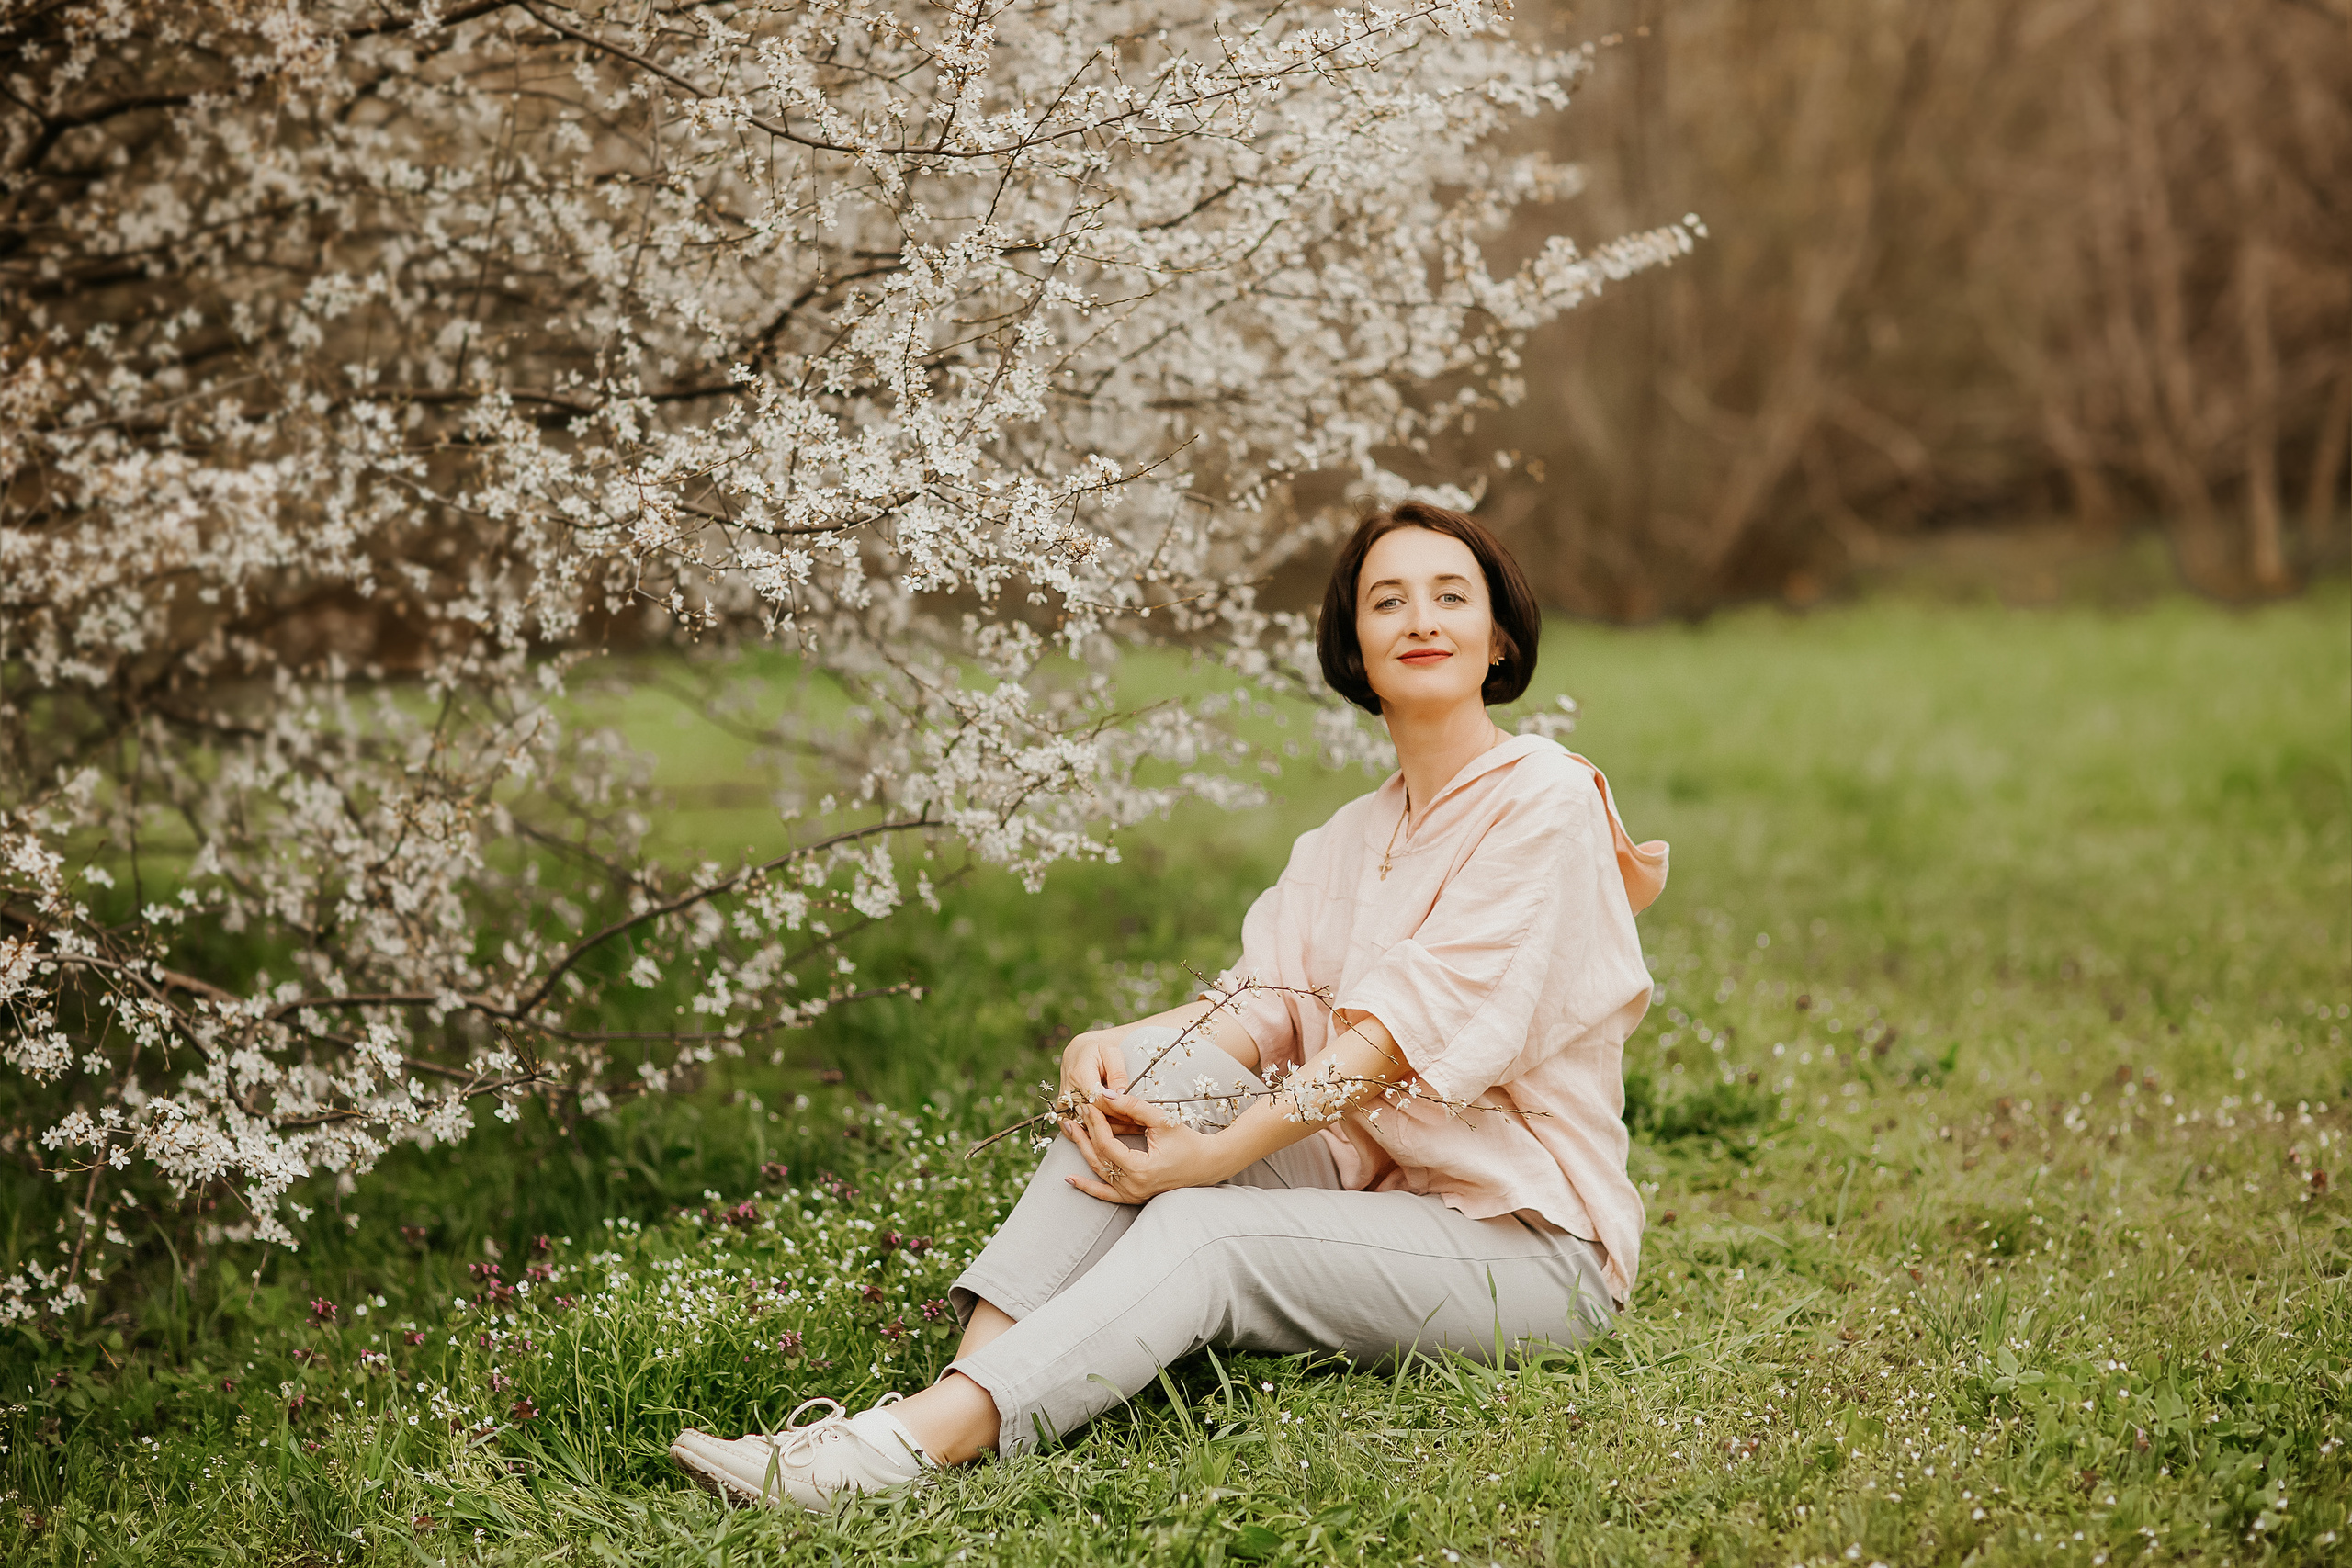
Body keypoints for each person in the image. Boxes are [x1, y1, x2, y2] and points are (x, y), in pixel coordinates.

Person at [670, 501, 1669, 1510]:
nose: (1420, 620)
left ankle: (905, 1448)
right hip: (1381, 1193)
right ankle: (945, 1400)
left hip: (1530, 1248)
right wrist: (1113, 1043)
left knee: (1207, 1229)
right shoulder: (1342, 840)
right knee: (1147, 1083)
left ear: (1497, 639)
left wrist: (1218, 1156)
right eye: (1387, 601)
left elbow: (1394, 1040)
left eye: (1451, 596)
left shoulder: (1543, 797)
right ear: (1354, 648)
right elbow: (1256, 1008)